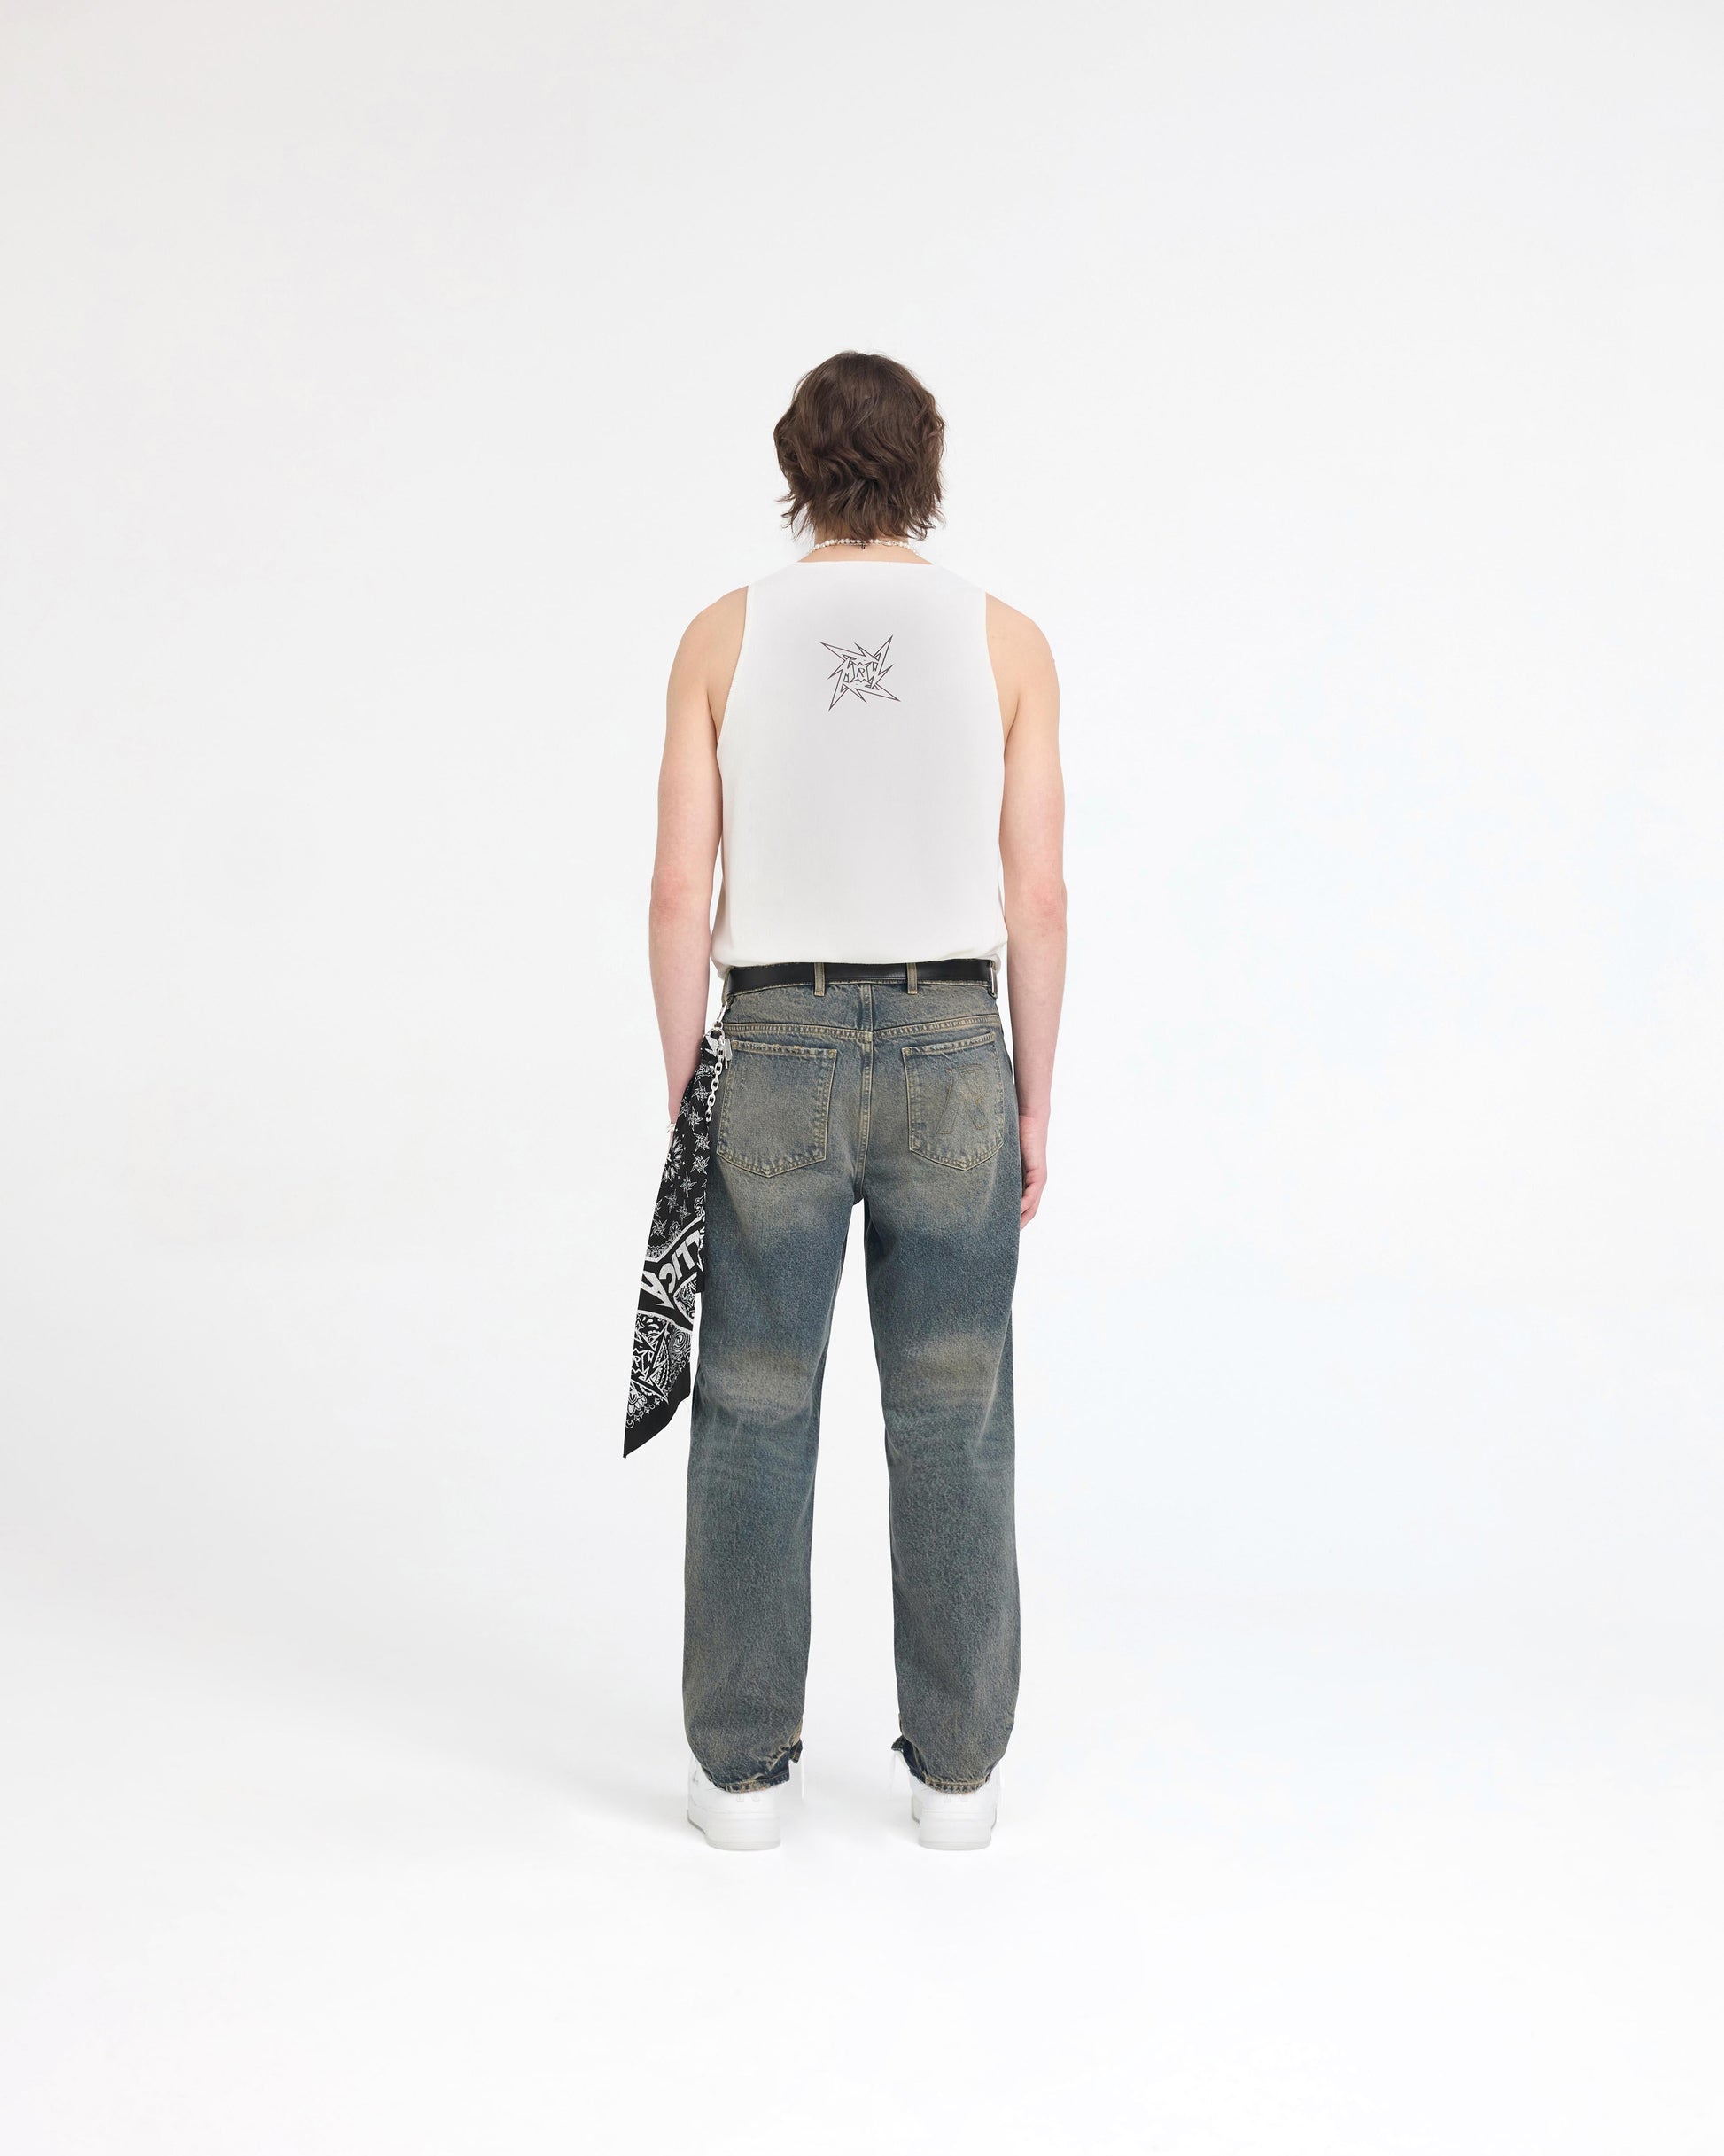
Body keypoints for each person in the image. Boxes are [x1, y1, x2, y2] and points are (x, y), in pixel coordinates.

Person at [648, 350, 1066, 1850]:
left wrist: (694, 1094)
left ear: (795, 465)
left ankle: (739, 1781)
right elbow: (1037, 897)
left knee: (753, 1411)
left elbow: (676, 894)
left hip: (774, 1041)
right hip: (955, 1041)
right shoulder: (1006, 640)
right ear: (926, 463)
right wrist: (1033, 1099)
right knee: (953, 1415)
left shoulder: (721, 635)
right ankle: (957, 1780)